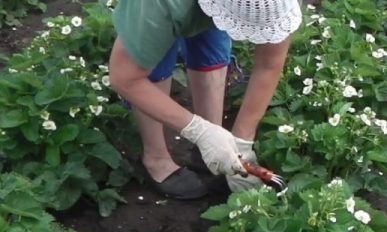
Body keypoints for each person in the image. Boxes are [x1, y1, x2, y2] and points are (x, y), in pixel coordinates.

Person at [108, 0, 302, 199]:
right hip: (161, 11)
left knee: (211, 43)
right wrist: (199, 131)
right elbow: (125, 77)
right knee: (153, 58)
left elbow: (269, 63)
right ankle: (156, 158)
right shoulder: (160, 5)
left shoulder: (279, 5)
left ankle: (214, 149)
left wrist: (242, 140)